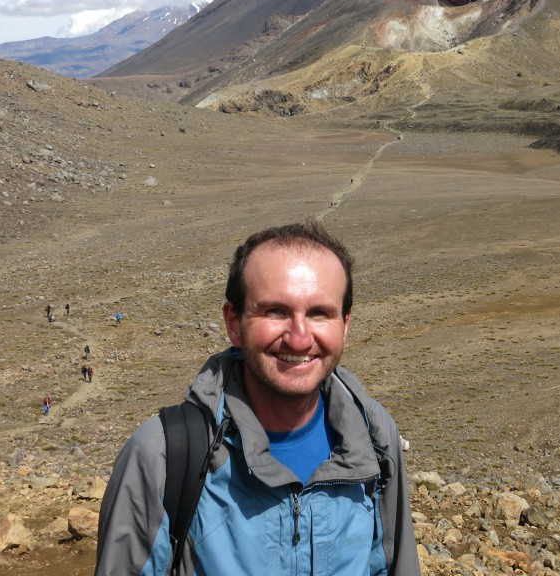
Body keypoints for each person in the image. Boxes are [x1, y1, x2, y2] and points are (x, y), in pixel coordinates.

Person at [96, 222, 420, 576]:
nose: (299, 339)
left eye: (319, 313)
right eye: (275, 311)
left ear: (344, 324)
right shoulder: (162, 455)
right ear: (234, 323)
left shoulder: (374, 435)